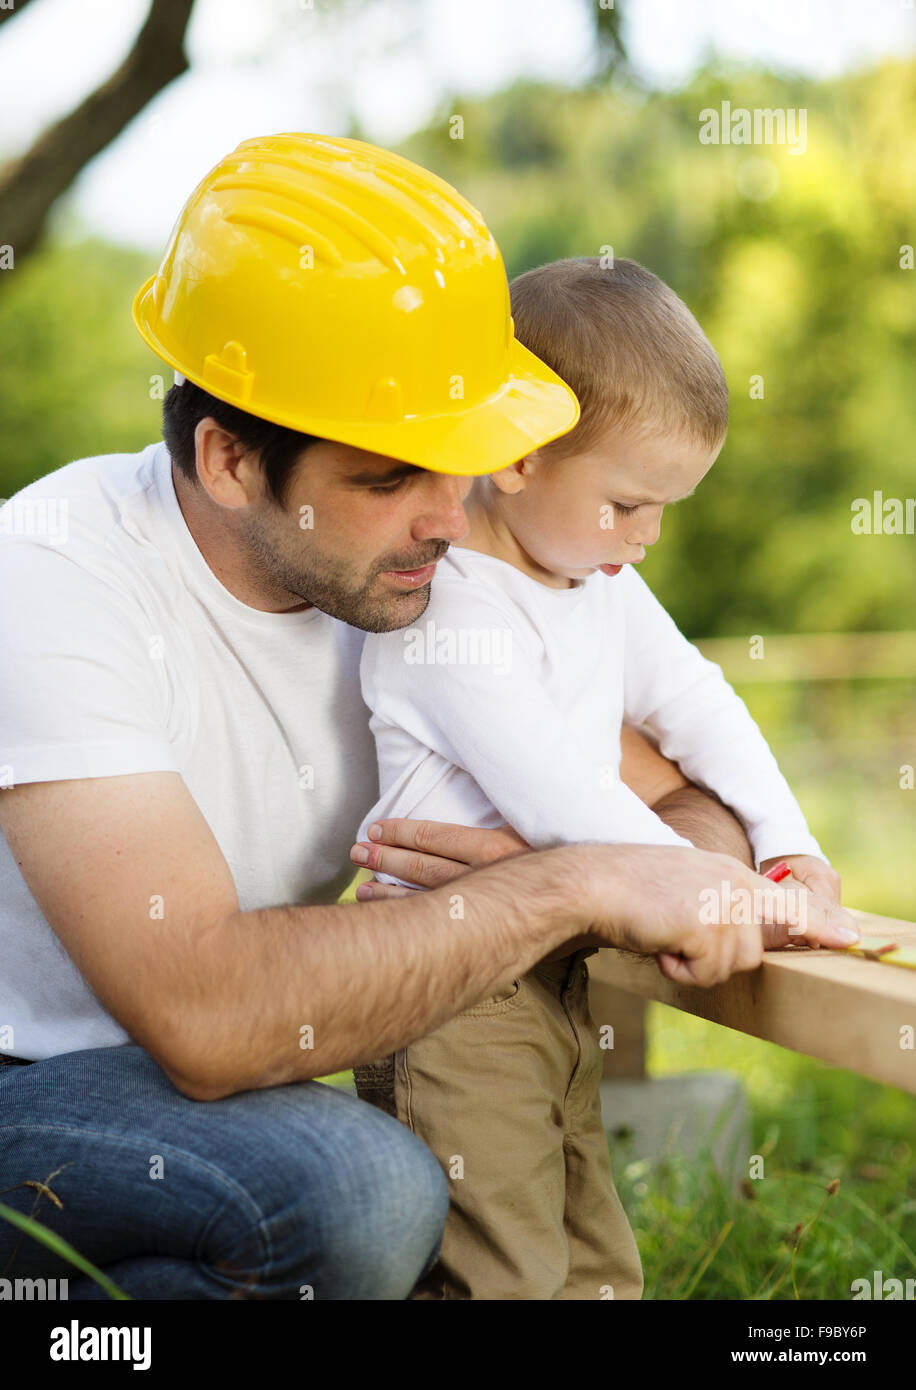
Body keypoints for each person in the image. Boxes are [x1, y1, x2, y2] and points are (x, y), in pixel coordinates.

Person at [0, 134, 858, 1302]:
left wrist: (642, 860)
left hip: (225, 1100)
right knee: (361, 1190)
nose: (451, 518)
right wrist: (564, 881)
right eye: (388, 475)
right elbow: (204, 1015)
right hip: (35, 1087)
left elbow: (675, 800)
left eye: (464, 461)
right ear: (230, 458)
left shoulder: (419, 578)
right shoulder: (55, 572)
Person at [351, 255, 846, 1299]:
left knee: (597, 1263)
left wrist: (788, 847)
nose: (649, 534)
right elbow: (562, 803)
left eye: (667, 505)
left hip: (559, 976)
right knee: (501, 1264)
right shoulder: (447, 614)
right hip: (454, 998)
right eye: (628, 500)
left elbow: (697, 701)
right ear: (518, 457)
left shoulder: (595, 577)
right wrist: (715, 894)